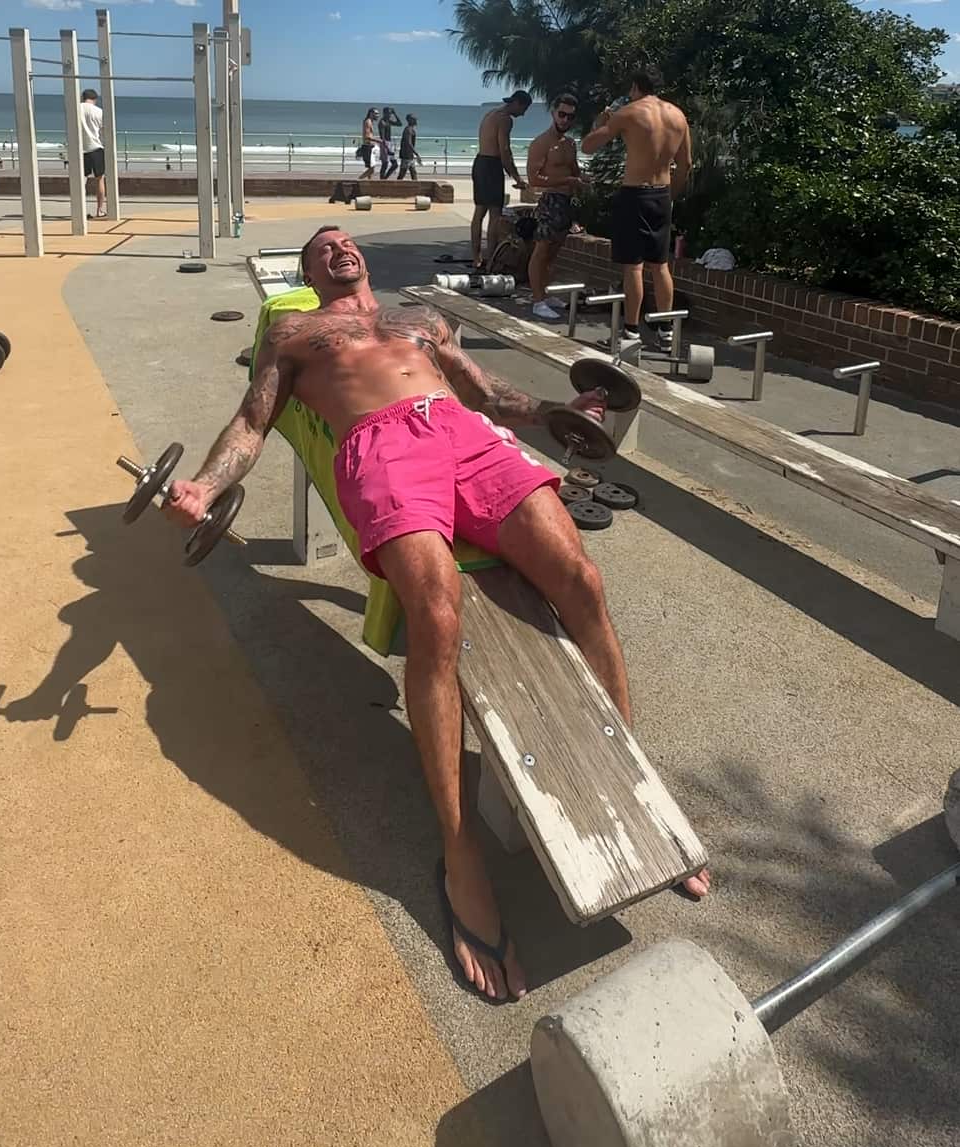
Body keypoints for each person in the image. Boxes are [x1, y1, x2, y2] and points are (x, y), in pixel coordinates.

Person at [164, 226, 711, 1003]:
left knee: (581, 581)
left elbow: (488, 397)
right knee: (438, 619)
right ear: (307, 273)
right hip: (380, 452)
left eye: (343, 241)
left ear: (361, 260)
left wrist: (561, 408)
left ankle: (634, 786)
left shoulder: (420, 322)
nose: (336, 249)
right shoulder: (293, 333)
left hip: (464, 436)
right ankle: (461, 859)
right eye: (320, 248)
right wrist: (204, 488)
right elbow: (252, 423)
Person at [581, 68, 691, 350]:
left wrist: (602, 121)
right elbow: (686, 164)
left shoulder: (629, 112)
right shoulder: (678, 116)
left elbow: (588, 146)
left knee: (634, 266)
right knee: (661, 264)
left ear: (636, 87)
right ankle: (665, 331)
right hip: (662, 194)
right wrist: (671, 195)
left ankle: (631, 331)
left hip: (635, 194)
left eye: (631, 89)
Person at [525, 92, 585, 321]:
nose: (565, 120)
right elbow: (534, 179)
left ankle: (546, 293)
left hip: (567, 202)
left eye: (570, 117)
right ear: (553, 113)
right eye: (562, 114)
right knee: (541, 251)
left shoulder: (570, 143)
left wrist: (581, 182)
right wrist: (566, 181)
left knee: (553, 252)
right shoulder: (542, 143)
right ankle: (537, 300)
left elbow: (574, 170)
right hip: (551, 200)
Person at [470, 90, 531, 270]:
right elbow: (504, 151)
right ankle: (491, 260)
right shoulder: (505, 119)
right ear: (517, 103)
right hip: (491, 165)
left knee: (479, 213)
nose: (523, 114)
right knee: (495, 215)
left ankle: (477, 258)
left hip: (480, 162)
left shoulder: (491, 113)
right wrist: (517, 178)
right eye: (524, 108)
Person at [78, 88, 108, 220]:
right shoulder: (99, 111)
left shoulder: (76, 109)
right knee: (99, 179)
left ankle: (80, 210)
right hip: (96, 147)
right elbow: (104, 130)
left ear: (82, 97)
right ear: (95, 99)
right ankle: (100, 210)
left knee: (81, 181)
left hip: (79, 148)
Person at [378, 107, 401, 179]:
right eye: (388, 113)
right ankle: (382, 179)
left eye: (390, 113)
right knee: (385, 164)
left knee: (395, 164)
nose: (390, 115)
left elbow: (399, 124)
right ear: (384, 113)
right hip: (385, 143)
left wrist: (395, 114)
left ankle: (385, 178)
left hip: (390, 143)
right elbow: (382, 137)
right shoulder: (382, 122)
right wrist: (387, 148)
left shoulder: (388, 121)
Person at [397, 113, 421, 179]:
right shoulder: (408, 130)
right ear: (410, 120)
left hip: (409, 155)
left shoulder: (411, 129)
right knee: (402, 174)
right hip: (406, 155)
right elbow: (409, 143)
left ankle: (416, 187)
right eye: (414, 119)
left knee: (413, 173)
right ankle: (396, 187)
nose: (416, 121)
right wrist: (416, 153)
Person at [358, 108, 379, 178]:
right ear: (371, 113)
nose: (378, 115)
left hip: (370, 147)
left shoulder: (370, 122)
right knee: (372, 170)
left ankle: (369, 184)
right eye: (376, 113)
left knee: (370, 168)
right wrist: (379, 141)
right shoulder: (368, 122)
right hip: (368, 147)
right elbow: (367, 136)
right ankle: (359, 180)